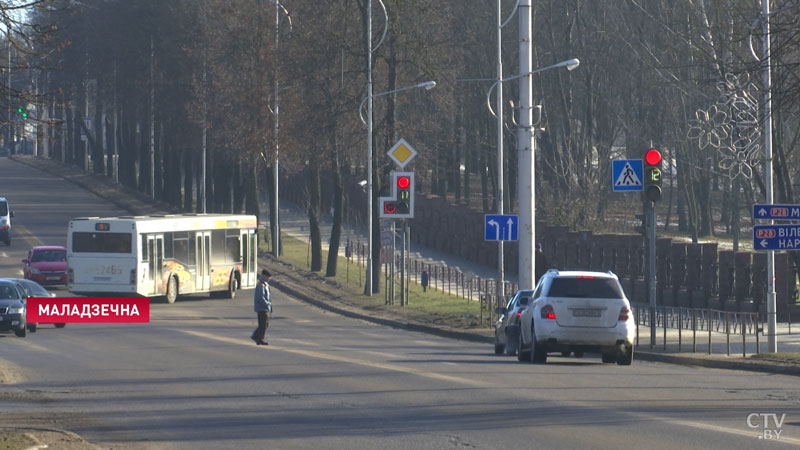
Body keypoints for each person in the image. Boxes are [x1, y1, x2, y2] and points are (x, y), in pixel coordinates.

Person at [251, 269, 272, 346]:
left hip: (264, 307)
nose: (269, 279)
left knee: (264, 324)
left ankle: (258, 339)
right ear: (264, 276)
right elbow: (261, 297)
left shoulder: (265, 284)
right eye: (268, 277)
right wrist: (267, 305)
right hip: (261, 308)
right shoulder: (261, 285)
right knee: (263, 324)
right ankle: (256, 337)